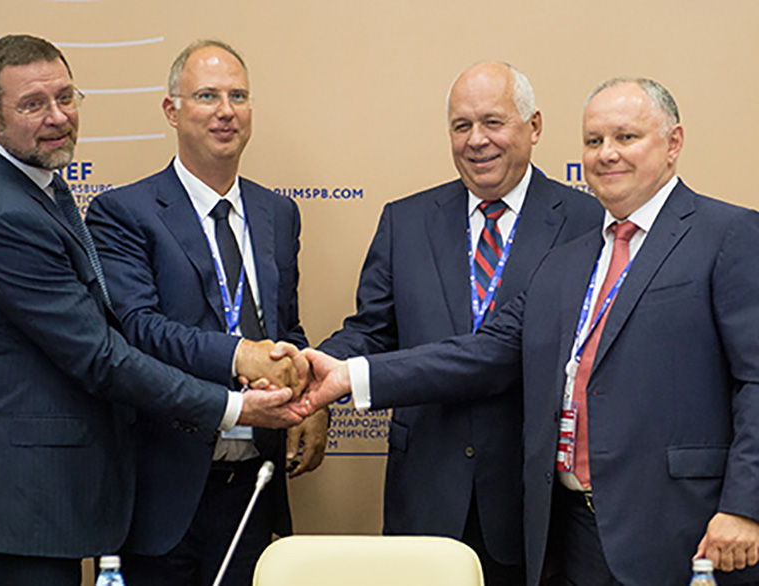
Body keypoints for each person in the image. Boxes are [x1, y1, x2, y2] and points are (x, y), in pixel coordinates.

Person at [291, 78, 759, 585]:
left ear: (673, 143)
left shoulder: (727, 234)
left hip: (679, 528)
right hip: (572, 530)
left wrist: (745, 505)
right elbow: (489, 351)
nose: (607, 154)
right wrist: (345, 376)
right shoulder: (573, 258)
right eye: (594, 141)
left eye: (626, 137)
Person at [0, 34, 302, 586]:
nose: (57, 117)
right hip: (24, 499)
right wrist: (236, 404)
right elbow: (104, 353)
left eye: (65, 98)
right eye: (33, 104)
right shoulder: (1, 212)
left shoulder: (40, 186)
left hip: (59, 496)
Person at [315, 61, 601, 583]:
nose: (476, 140)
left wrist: (346, 379)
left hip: (530, 500)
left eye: (493, 122)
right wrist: (317, 368)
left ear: (534, 126)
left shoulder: (587, 222)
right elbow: (372, 330)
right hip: (426, 490)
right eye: (461, 125)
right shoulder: (405, 220)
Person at [86, 40, 327, 586]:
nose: (226, 111)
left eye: (238, 96)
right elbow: (139, 330)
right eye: (207, 96)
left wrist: (311, 396)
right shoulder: (124, 212)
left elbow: (284, 327)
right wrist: (239, 355)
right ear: (171, 110)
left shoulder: (278, 213)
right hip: (164, 492)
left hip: (254, 488)